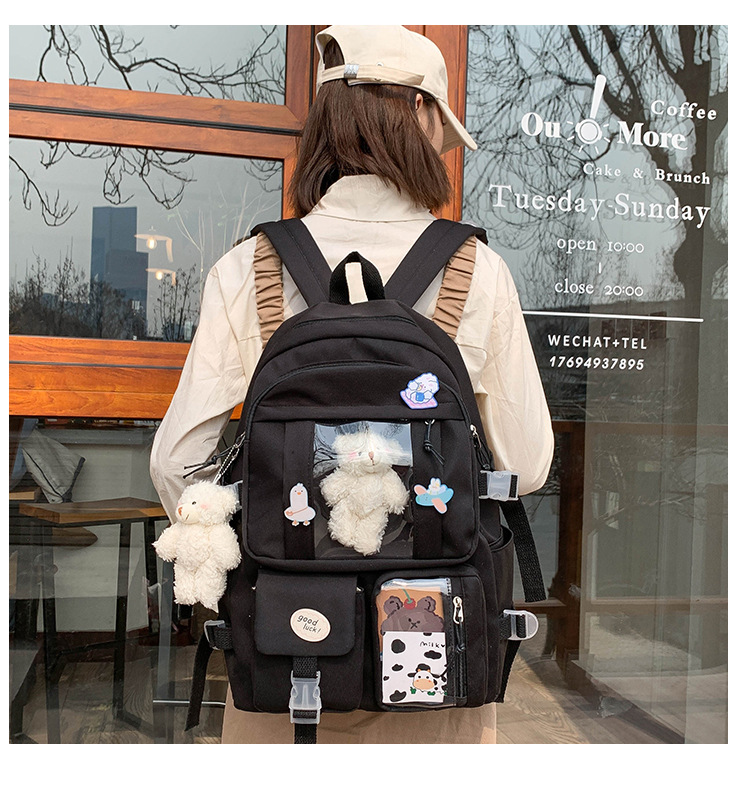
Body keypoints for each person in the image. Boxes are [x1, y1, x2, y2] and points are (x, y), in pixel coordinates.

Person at [150, 24, 554, 745]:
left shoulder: (250, 266)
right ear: (420, 112)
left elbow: (177, 463)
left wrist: (273, 522)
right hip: (436, 655)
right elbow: (526, 465)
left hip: (288, 651)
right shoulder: (477, 272)